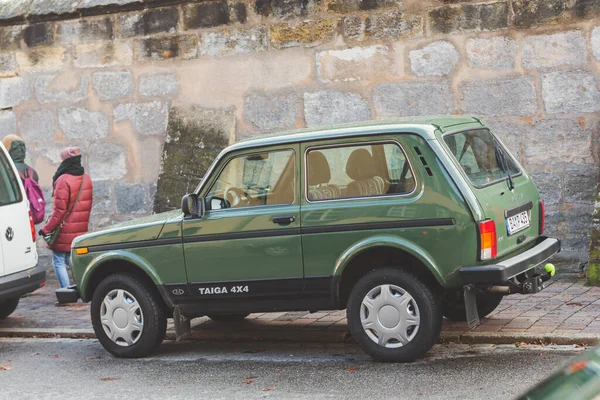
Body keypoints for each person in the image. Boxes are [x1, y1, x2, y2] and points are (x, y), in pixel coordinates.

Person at [40, 147, 93, 289]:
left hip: (64, 229)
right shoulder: (85, 178)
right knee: (71, 260)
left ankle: (66, 291)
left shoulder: (63, 180)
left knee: (58, 260)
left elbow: (59, 211)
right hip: (80, 228)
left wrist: (46, 229)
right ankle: (84, 285)